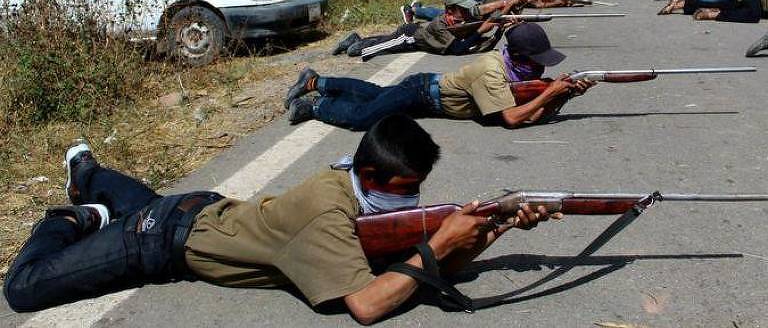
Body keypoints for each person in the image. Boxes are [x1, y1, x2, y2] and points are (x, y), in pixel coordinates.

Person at [2, 116, 558, 323]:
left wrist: (491, 229)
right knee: (23, 290)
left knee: (140, 200)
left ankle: (91, 173)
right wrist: (438, 244)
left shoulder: (357, 188)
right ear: (367, 173)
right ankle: (75, 217)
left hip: (205, 211)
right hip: (164, 239)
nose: (411, 202)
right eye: (403, 191)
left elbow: (430, 267)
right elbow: (367, 305)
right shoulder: (328, 211)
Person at [287, 23, 595, 131]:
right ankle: (315, 106)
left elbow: (532, 116)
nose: (541, 69)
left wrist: (563, 95)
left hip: (429, 95)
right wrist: (550, 92)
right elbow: (513, 119)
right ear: (518, 56)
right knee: (365, 118)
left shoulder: (512, 69)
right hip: (421, 93)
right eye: (536, 62)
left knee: (375, 94)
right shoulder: (492, 71)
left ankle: (316, 81)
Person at [338, 0, 530, 61]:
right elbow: (459, 49)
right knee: (366, 51)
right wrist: (482, 30)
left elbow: (485, 13)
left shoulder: (459, 18)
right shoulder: (440, 24)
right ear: (449, 9)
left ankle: (357, 38)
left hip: (417, 36)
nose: (466, 13)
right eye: (461, 9)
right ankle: (354, 42)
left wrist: (508, 7)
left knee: (381, 40)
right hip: (409, 36)